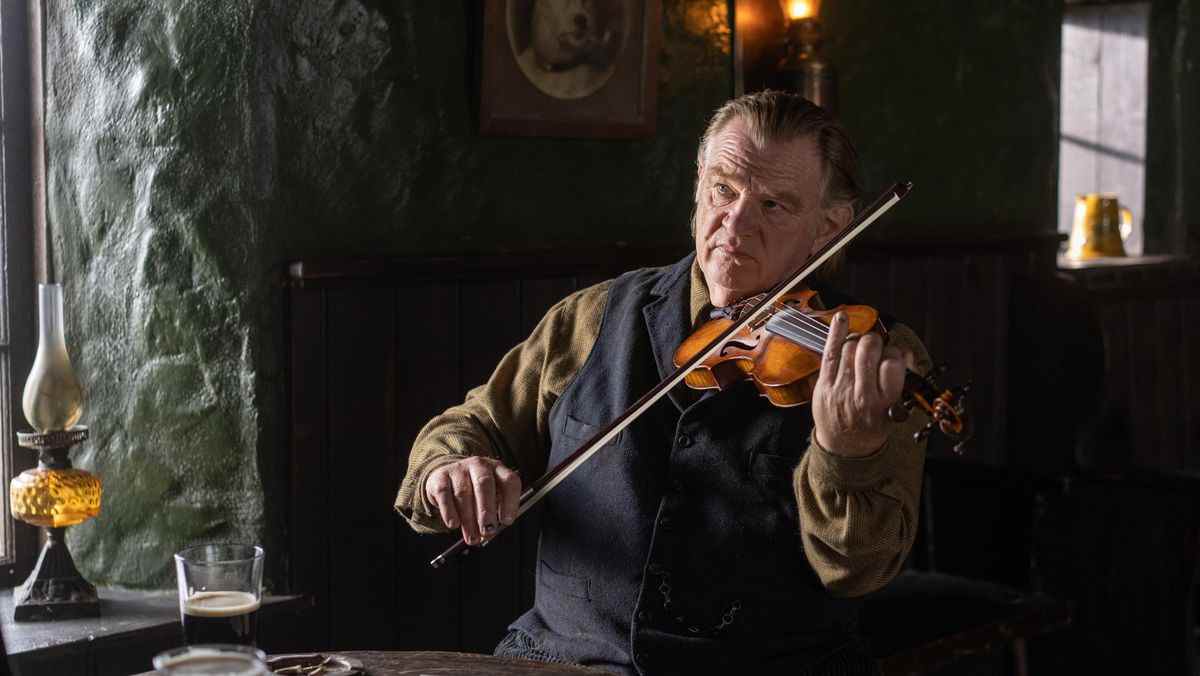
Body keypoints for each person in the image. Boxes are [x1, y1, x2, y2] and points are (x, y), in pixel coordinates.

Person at [395, 90, 931, 676]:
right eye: (723, 190)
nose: (736, 223)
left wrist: (847, 454)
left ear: (829, 228)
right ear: (698, 184)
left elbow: (858, 569)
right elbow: (474, 426)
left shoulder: (872, 357)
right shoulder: (592, 317)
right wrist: (450, 467)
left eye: (774, 205)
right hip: (565, 663)